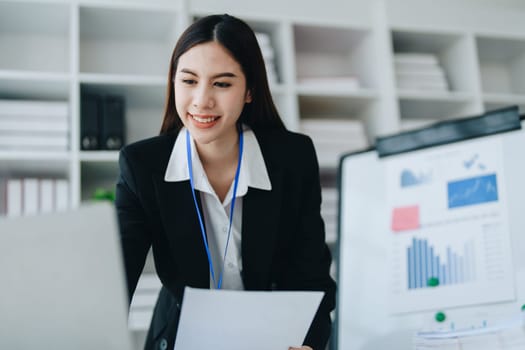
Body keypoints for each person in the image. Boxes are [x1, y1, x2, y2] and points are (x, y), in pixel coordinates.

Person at [115, 14, 336, 350]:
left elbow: (311, 275)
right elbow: (117, 278)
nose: (202, 100)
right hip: (182, 337)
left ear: (249, 91)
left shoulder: (293, 157)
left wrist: (308, 342)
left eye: (222, 83)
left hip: (271, 336)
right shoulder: (142, 166)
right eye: (189, 81)